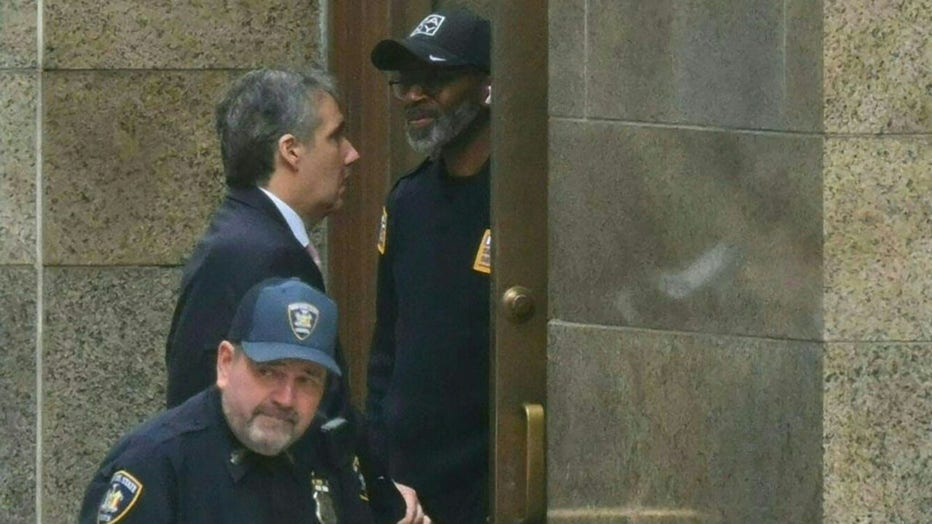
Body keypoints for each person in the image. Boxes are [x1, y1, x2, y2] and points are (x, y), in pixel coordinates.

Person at [164, 68, 403, 522]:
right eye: (336, 137)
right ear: (291, 151)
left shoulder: (250, 237)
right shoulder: (259, 252)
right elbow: (209, 408)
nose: (352, 154)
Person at [366, 8, 492, 523]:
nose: (415, 95)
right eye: (407, 81)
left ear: (486, 86)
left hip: (486, 487)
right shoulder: (407, 203)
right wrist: (378, 469)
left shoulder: (519, 208)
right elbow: (385, 351)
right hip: (407, 489)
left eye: (436, 79)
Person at [80, 278, 344, 523]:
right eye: (268, 372)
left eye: (306, 380)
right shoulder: (158, 465)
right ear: (226, 364)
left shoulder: (331, 449)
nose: (286, 399)